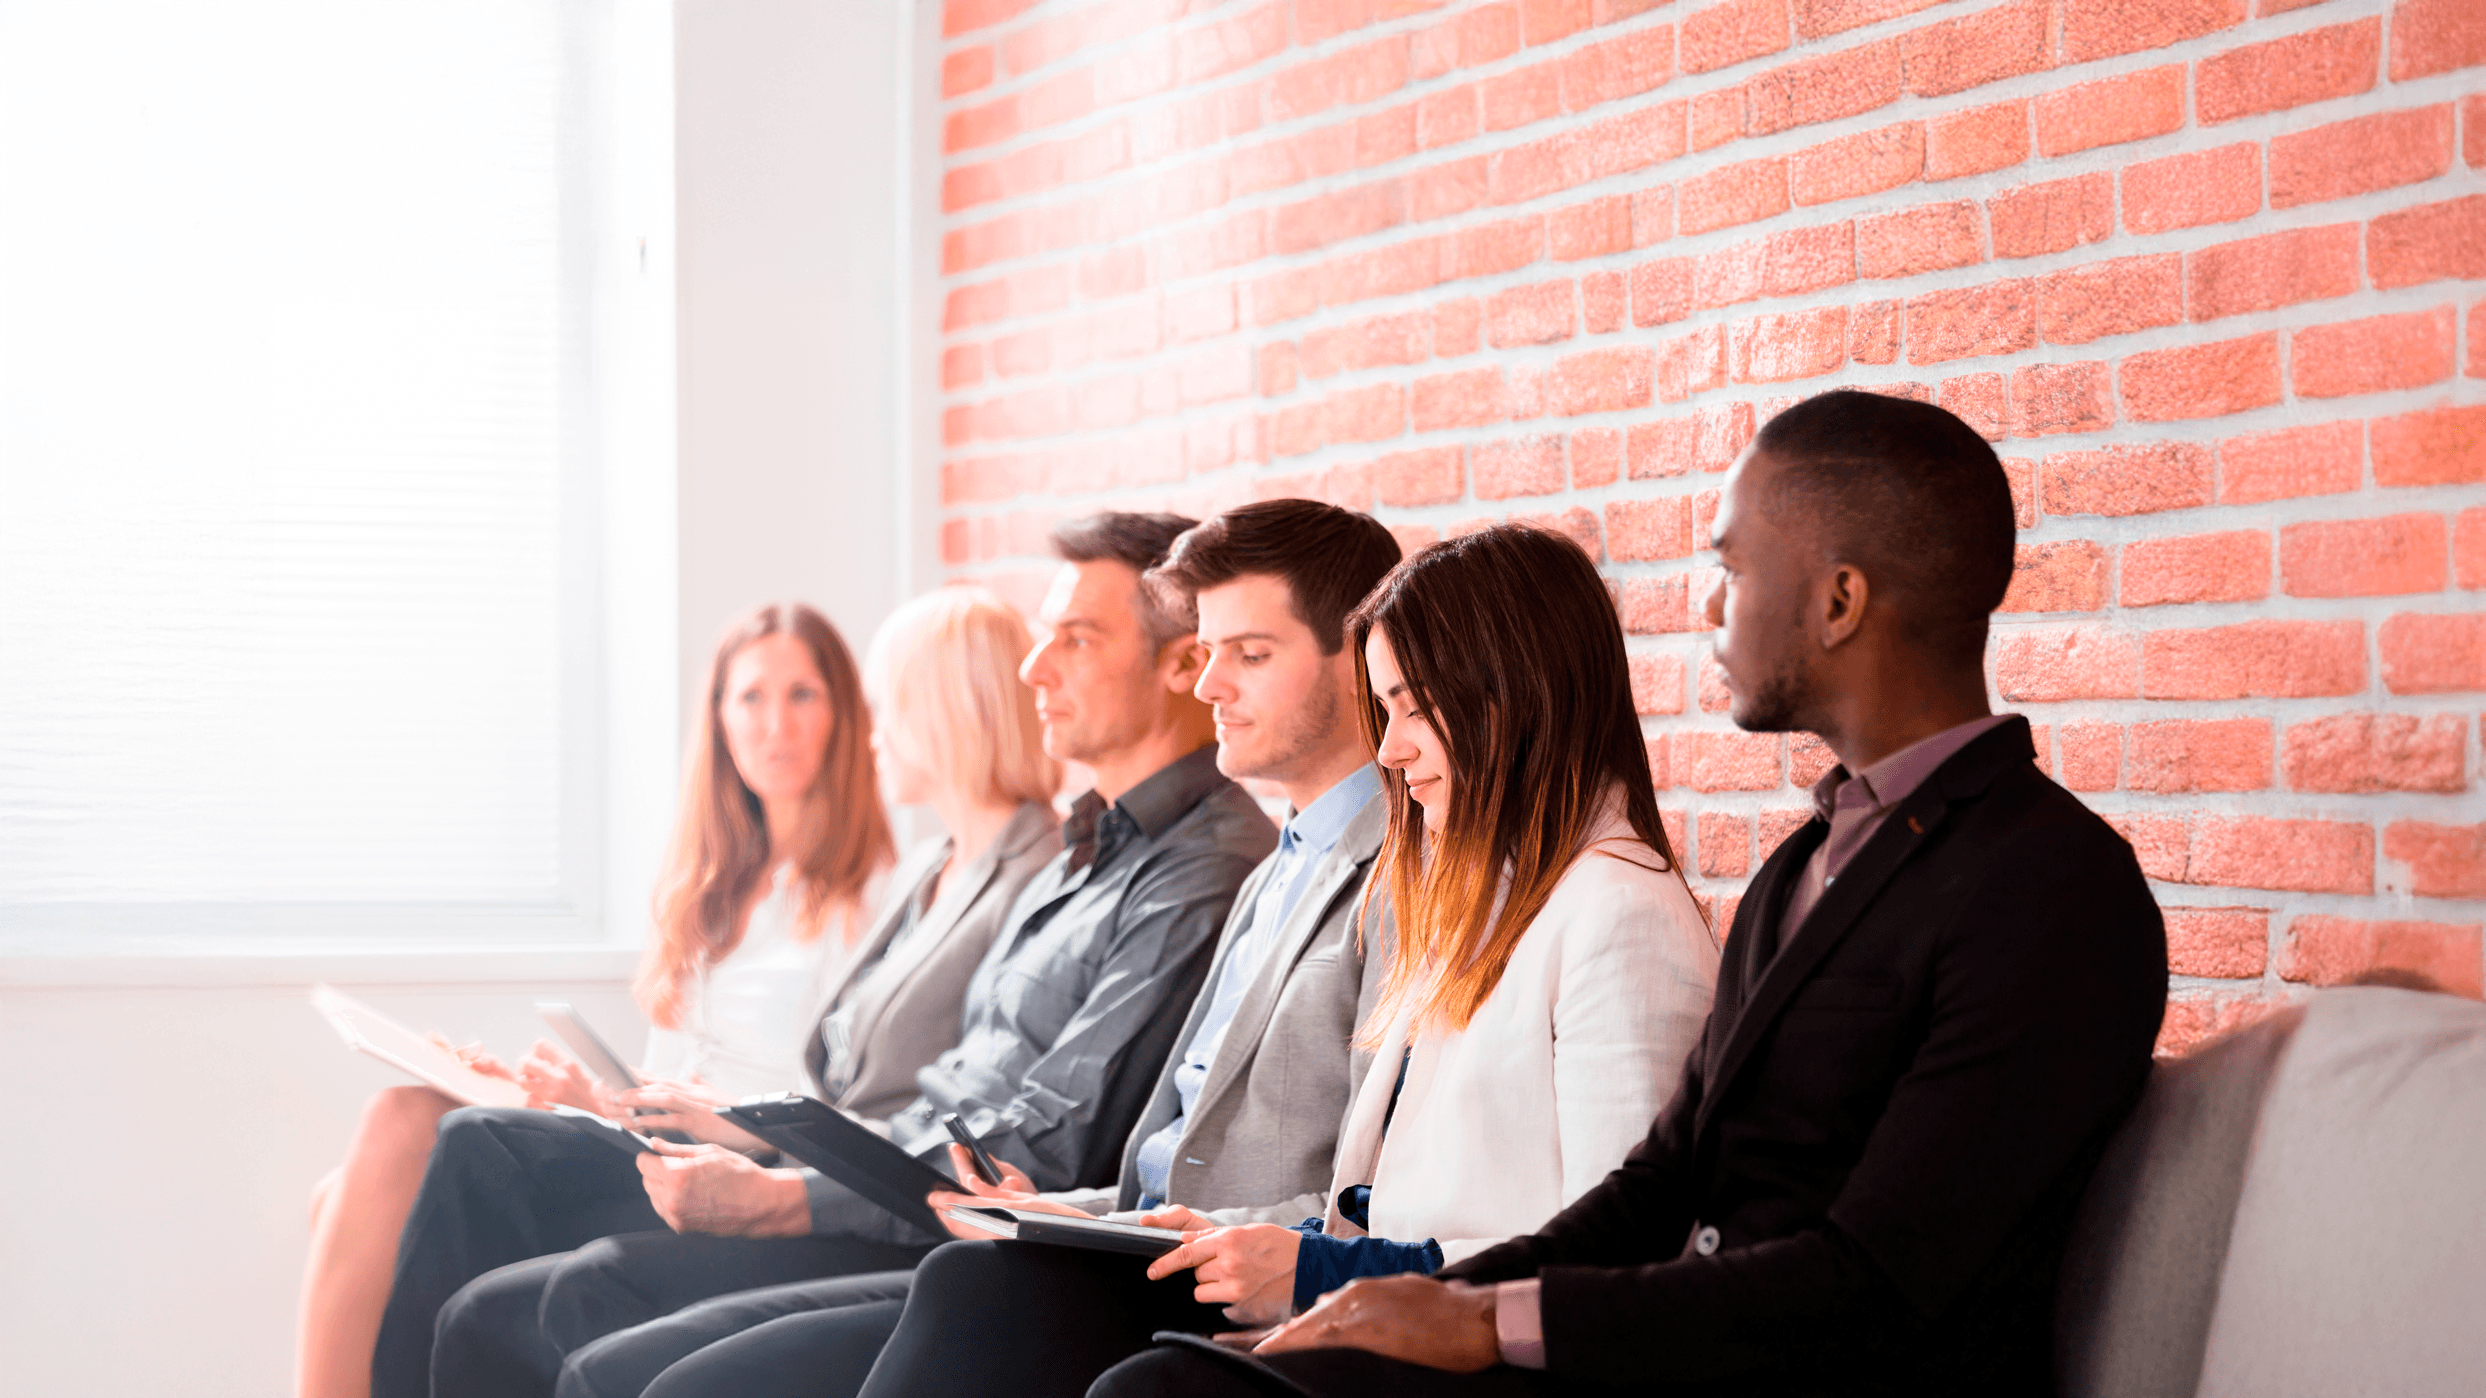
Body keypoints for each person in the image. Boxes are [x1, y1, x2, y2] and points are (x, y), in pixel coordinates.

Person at [1096, 389, 2172, 1398]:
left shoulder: (2045, 884)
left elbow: (1877, 1277)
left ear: (1839, 600)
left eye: (1733, 568)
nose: (1706, 604)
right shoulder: (1806, 868)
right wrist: (1417, 1297)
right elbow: (1654, 1188)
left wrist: (1484, 1325)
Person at [392, 512, 1278, 1398]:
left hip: (953, 1229)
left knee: (567, 1295)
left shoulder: (1182, 865)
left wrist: (780, 1185)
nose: (1033, 669)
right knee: (492, 1221)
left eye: (1075, 639)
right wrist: (747, 1128)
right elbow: (953, 1092)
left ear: (1179, 665)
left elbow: (1042, 1143)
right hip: (895, 1187)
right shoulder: (1089, 846)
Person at [871, 523, 1720, 1398]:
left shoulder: (1621, 914)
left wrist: (1322, 1273)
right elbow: (1371, 1199)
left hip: (1464, 1348)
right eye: (1385, 711)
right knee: (997, 1297)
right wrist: (1226, 1240)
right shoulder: (1479, 905)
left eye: (1415, 708)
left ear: (1514, 695)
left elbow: (1612, 1254)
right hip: (1373, 1306)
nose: (1389, 749)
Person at [295, 601, 894, 1398]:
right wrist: (584, 1100)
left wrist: (654, 1116)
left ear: (844, 715)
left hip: (739, 1165)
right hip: (655, 1138)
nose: (774, 724)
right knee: (363, 1165)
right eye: (750, 697)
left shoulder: (871, 894)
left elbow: (831, 1107)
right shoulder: (710, 891)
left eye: (802, 695)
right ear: (718, 719)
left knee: (403, 1139)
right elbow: (660, 1086)